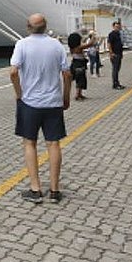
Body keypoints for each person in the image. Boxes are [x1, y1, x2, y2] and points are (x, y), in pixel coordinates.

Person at [10, 13, 71, 204]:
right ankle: (54, 190)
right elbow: (67, 74)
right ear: (46, 27)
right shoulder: (57, 45)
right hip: (53, 103)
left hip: (30, 103)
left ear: (28, 27)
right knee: (53, 144)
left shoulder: (22, 44)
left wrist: (19, 93)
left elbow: (13, 72)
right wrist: (65, 98)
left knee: (30, 143)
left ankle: (35, 189)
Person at [68, 32, 93, 100]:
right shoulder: (78, 47)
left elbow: (83, 42)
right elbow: (90, 44)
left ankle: (80, 94)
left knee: (79, 79)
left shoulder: (72, 47)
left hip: (75, 63)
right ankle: (77, 95)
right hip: (79, 64)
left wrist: (87, 36)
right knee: (80, 79)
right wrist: (93, 36)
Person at [107, 21, 125, 89]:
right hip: (115, 54)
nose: (118, 28)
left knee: (117, 69)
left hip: (119, 54)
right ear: (113, 27)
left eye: (118, 27)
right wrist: (111, 53)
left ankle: (117, 82)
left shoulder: (118, 34)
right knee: (115, 69)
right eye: (116, 27)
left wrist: (121, 53)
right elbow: (109, 44)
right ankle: (115, 84)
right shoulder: (112, 34)